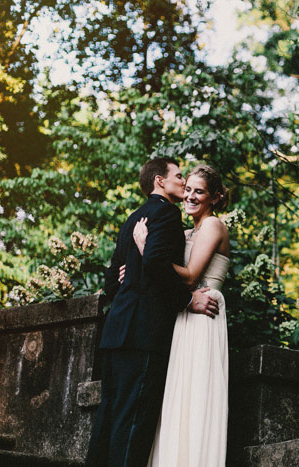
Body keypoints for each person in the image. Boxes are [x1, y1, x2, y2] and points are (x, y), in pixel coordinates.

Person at [85, 158, 219, 467]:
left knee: (107, 419)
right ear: (160, 181)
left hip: (116, 332)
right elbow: (157, 264)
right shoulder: (167, 215)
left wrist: (129, 280)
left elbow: (111, 280)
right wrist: (188, 301)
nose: (183, 184)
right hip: (144, 334)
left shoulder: (134, 218)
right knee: (134, 424)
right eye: (178, 176)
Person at [129, 164, 231, 467]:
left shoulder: (213, 225)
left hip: (203, 311)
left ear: (214, 197)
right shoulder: (188, 231)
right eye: (187, 189)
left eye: (198, 191)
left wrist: (147, 248)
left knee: (196, 391)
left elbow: (187, 278)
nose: (189, 196)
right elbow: (162, 274)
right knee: (178, 394)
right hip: (185, 311)